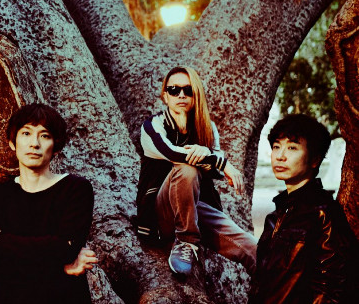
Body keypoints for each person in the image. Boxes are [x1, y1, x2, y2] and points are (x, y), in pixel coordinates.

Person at [135, 66, 257, 276]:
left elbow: (215, 173)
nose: (181, 95)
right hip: (160, 215)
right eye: (174, 90)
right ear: (165, 95)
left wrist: (207, 154)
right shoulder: (153, 126)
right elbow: (172, 153)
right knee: (186, 168)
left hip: (195, 211)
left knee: (253, 249)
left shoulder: (207, 128)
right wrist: (220, 162)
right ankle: (186, 241)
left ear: (196, 94)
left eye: (188, 90)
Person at [0, 103, 97, 303]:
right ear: (12, 142)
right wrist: (61, 266)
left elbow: (65, 249)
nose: (34, 143)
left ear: (56, 147)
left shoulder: (76, 189)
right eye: (26, 133)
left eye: (45, 135)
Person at [249, 114, 358, 303]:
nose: (280, 156)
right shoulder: (276, 216)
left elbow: (333, 288)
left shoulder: (323, 213)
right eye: (276, 146)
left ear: (314, 159)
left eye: (292, 148)